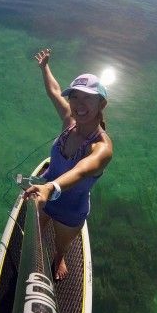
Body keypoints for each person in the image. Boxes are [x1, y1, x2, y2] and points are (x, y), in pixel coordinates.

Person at [24, 48, 113, 280]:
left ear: (101, 103)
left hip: (70, 210)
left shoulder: (102, 148)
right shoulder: (69, 121)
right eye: (74, 96)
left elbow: (81, 169)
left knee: (61, 245)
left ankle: (59, 257)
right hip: (45, 194)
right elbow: (54, 91)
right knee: (35, 233)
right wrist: (45, 68)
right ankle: (38, 248)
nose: (79, 103)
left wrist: (49, 188)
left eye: (87, 98)